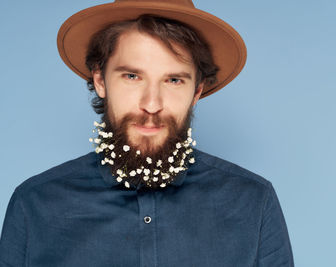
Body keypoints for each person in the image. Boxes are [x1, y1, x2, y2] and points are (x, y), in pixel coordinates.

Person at [0, 0, 294, 266]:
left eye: (174, 80)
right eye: (132, 76)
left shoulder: (254, 202)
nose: (151, 104)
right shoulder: (34, 204)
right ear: (100, 80)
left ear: (197, 91)